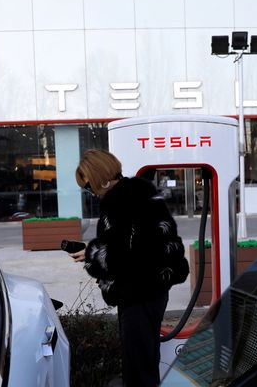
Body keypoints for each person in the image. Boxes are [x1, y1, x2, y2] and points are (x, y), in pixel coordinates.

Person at [69, 149, 189, 386]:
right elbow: (134, 244)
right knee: (144, 359)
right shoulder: (138, 192)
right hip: (150, 290)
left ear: (102, 178)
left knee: (139, 366)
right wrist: (95, 250)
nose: (91, 193)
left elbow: (126, 256)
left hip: (139, 293)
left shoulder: (119, 201)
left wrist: (92, 254)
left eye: (89, 186)